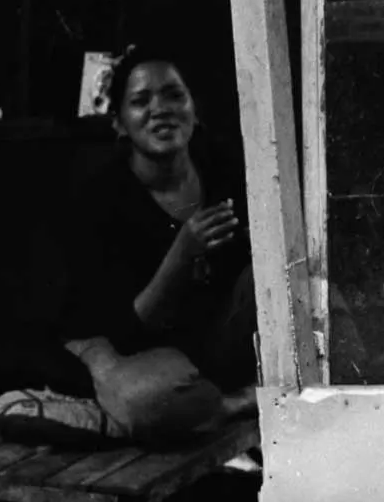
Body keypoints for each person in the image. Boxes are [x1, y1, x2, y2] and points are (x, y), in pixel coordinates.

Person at [59, 44, 258, 438]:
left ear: (194, 109)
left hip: (220, 345)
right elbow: (127, 333)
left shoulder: (224, 170)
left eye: (173, 95)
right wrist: (183, 252)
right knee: (146, 401)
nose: (160, 109)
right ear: (119, 123)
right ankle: (236, 404)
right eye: (140, 101)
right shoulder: (102, 199)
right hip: (148, 357)